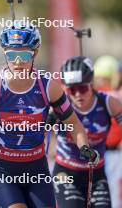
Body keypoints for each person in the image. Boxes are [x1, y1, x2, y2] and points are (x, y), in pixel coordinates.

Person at [0, 25, 98, 208]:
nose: (18, 62)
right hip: (3, 169)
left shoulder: (48, 87)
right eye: (11, 55)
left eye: (25, 55)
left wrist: (84, 147)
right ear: (4, 53)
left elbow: (73, 123)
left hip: (37, 169)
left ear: (35, 53)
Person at [50, 56, 122, 208]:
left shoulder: (108, 103)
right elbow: (37, 134)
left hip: (96, 175)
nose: (77, 94)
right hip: (66, 174)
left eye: (82, 88)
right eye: (71, 89)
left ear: (92, 84)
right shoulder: (59, 106)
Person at [94, 55, 122, 207]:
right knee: (112, 191)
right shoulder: (115, 98)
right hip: (112, 152)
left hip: (99, 151)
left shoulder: (91, 96)